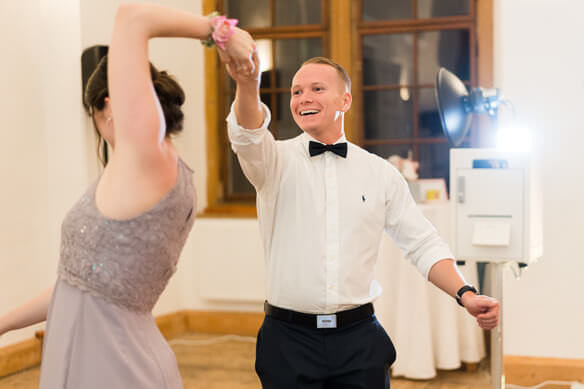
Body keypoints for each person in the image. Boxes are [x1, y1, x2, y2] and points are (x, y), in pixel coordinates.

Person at [0, 4, 255, 388]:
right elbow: (81, 284)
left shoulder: (145, 155)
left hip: (113, 367)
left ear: (107, 105)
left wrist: (220, 30)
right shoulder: (149, 168)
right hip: (107, 356)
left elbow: (133, 16)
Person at [226, 55, 500, 389]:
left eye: (317, 88)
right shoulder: (272, 163)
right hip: (287, 341)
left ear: (346, 99)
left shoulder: (380, 173)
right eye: (296, 92)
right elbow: (247, 134)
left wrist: (466, 294)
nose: (304, 98)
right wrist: (246, 83)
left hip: (359, 339)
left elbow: (422, 243)